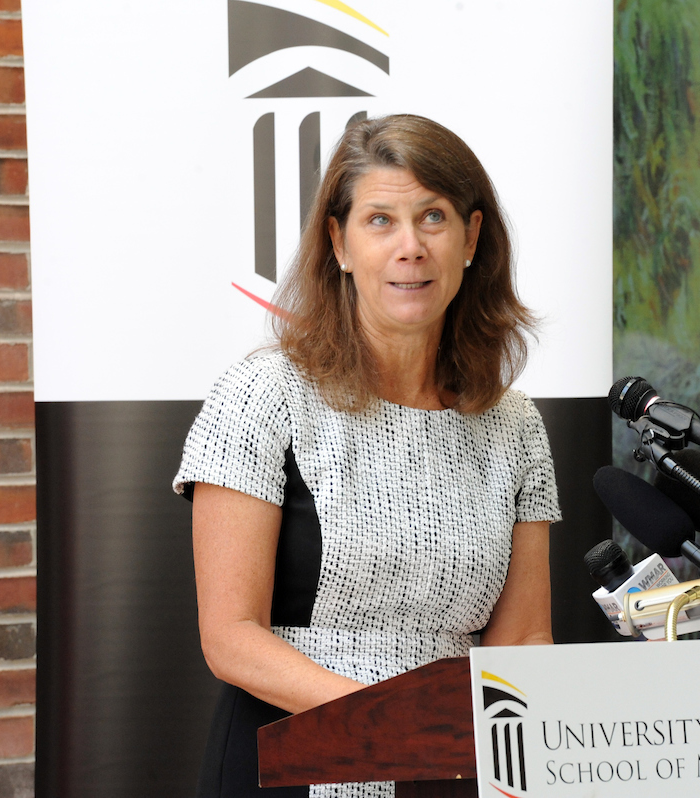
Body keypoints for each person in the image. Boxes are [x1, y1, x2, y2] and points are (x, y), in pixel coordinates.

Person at [173, 114, 561, 798]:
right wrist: (395, 726)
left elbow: (523, 642)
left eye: (433, 217)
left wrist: (493, 755)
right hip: (293, 760)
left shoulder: (515, 424)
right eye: (380, 220)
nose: (411, 247)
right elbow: (230, 636)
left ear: (472, 238)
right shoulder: (263, 395)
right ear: (339, 243)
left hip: (450, 770)